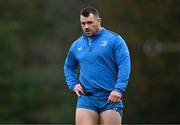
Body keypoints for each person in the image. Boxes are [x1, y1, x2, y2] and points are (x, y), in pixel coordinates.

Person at [64, 6, 131, 125]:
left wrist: (119, 89)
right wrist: (73, 84)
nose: (86, 27)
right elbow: (68, 67)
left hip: (110, 98)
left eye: (90, 22)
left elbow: (124, 65)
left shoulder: (115, 40)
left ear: (99, 21)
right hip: (86, 99)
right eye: (83, 23)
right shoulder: (76, 45)